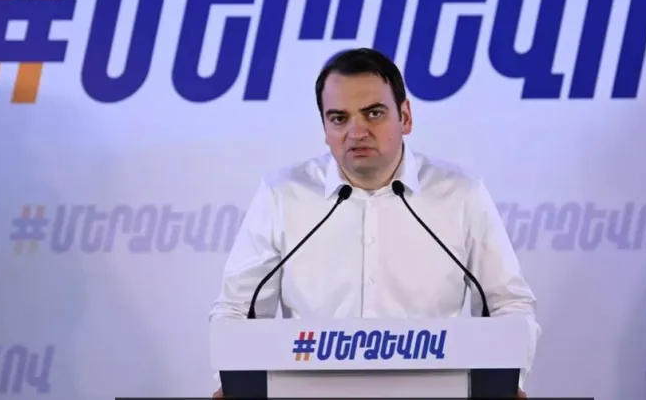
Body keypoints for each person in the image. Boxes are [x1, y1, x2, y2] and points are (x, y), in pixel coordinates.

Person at [209, 48, 540, 398]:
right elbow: (237, 310)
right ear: (324, 128)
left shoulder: (460, 194)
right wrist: (234, 384)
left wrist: (506, 383)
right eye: (339, 118)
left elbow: (508, 303)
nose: (357, 132)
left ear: (405, 117)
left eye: (374, 113)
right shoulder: (282, 195)